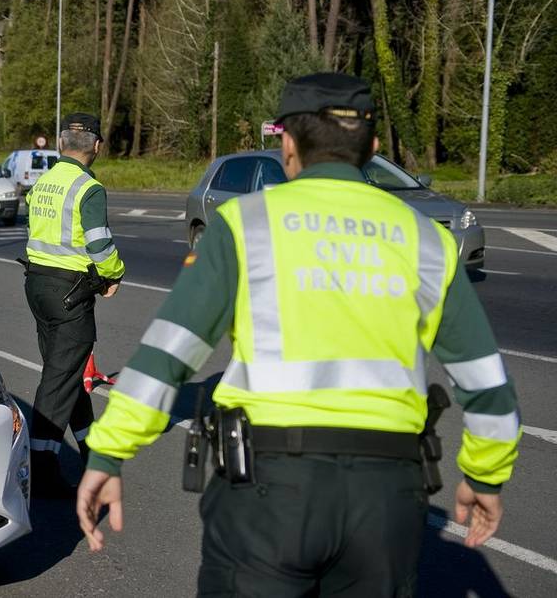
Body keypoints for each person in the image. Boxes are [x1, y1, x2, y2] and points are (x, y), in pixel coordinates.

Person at [76, 73, 520, 596]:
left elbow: (167, 355)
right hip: (387, 497)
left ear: (287, 145)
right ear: (372, 148)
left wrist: (108, 453)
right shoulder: (427, 240)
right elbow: (488, 386)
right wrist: (485, 476)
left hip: (266, 491)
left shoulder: (246, 224)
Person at [22, 112, 125, 498]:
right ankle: (41, 468)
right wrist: (114, 274)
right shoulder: (88, 189)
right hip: (70, 295)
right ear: (96, 147)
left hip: (37, 286)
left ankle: (93, 453)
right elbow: (99, 245)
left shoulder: (43, 182)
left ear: (61, 143)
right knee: (57, 380)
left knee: (67, 374)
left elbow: (34, 230)